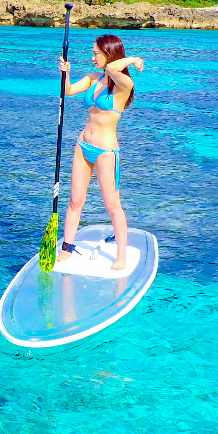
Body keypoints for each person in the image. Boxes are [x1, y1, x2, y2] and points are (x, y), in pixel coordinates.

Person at [57, 34, 144, 270]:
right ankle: (67, 247)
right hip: (82, 145)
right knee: (75, 200)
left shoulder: (124, 85)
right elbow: (68, 91)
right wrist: (65, 71)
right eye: (93, 52)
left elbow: (116, 68)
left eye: (97, 53)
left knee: (112, 205)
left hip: (106, 151)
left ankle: (121, 257)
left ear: (110, 54)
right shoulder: (95, 78)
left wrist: (132, 59)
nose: (93, 57)